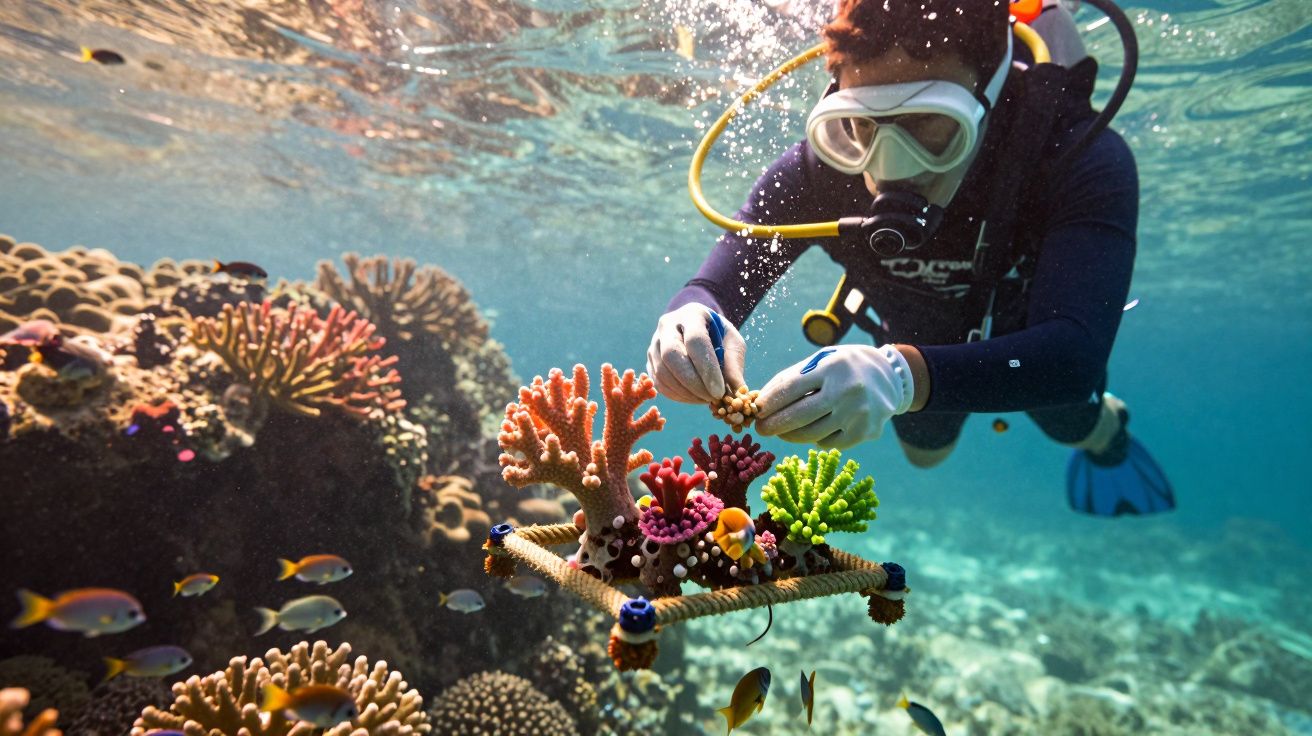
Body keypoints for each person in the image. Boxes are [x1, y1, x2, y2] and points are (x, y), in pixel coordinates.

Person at [647, 0, 1174, 516]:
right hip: (911, 338)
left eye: (928, 122)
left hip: (1030, 336)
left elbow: (1072, 358)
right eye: (861, 123)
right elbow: (720, 284)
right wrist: (690, 317)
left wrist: (903, 377)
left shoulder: (1078, 155)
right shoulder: (819, 169)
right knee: (925, 452)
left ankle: (1110, 434)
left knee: (1072, 423)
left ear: (989, 92)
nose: (890, 167)